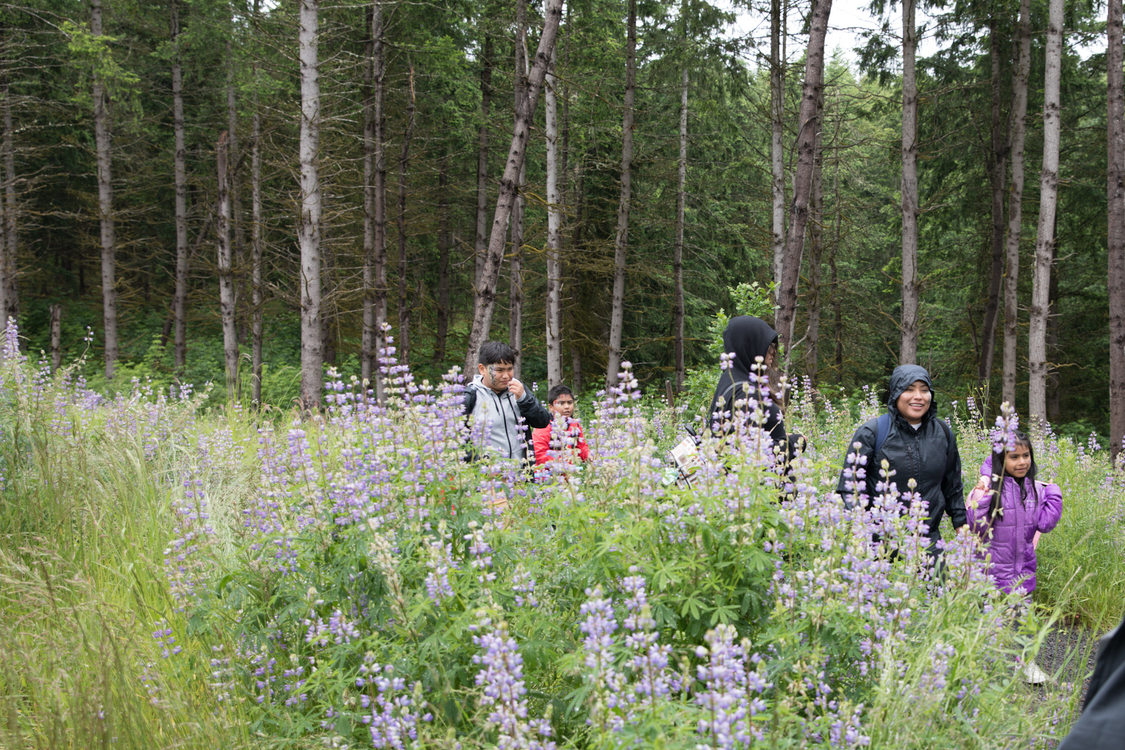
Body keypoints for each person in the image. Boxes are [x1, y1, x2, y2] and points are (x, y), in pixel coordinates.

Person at [836, 364, 967, 551]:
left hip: (928, 541)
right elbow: (850, 488)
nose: (918, 397)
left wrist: (960, 523)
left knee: (937, 580)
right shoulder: (873, 432)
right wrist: (859, 531)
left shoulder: (943, 433)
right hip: (880, 544)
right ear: (895, 394)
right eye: (909, 389)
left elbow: (952, 484)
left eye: (924, 390)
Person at [965, 429, 1062, 683]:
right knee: (988, 623)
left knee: (1024, 624)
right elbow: (975, 527)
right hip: (991, 571)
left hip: (1022, 569)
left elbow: (1045, 524)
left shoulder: (1034, 489)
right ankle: (983, 672)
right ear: (1001, 461)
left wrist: (1054, 495)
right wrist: (984, 492)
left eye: (1026, 455)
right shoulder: (988, 489)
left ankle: (1026, 666)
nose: (1022, 462)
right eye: (1014, 457)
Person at [708, 315, 792, 464]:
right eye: (767, 344)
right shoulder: (745, 392)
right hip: (758, 484)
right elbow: (749, 455)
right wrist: (793, 443)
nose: (773, 351)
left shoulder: (730, 379)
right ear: (749, 344)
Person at [464, 341, 551, 464]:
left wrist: (524, 399)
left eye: (509, 369)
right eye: (499, 370)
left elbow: (542, 422)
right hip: (487, 478)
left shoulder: (519, 390)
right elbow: (459, 442)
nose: (506, 376)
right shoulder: (471, 396)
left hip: (520, 476)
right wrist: (478, 466)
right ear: (482, 369)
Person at [531, 384, 590, 472]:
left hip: (568, 476)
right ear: (551, 407)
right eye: (561, 403)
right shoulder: (543, 426)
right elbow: (539, 455)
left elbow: (581, 448)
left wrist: (590, 456)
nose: (567, 407)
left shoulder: (575, 425)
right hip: (546, 477)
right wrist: (561, 463)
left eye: (570, 403)